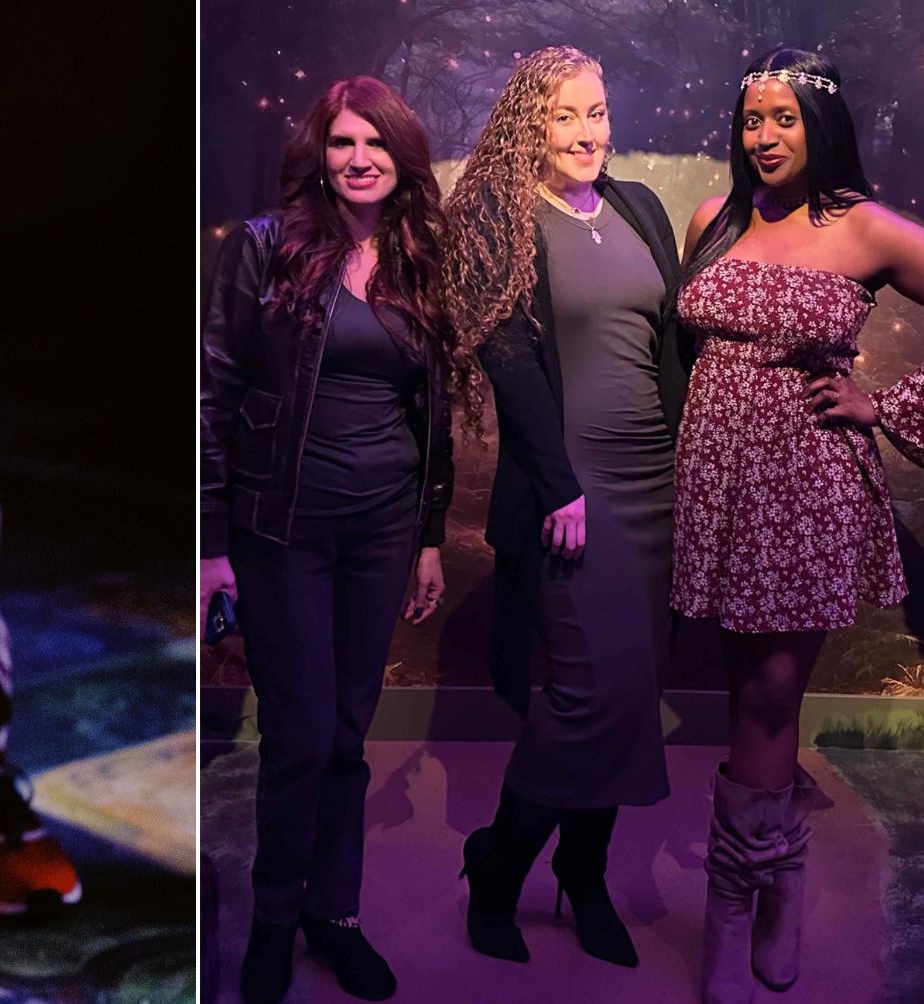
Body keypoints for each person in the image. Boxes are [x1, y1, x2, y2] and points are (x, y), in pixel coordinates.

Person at [674, 46, 924, 1004]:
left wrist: (884, 406)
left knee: (772, 694)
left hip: (806, 486)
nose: (764, 136)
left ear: (821, 125)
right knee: (743, 685)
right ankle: (776, 873)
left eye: (784, 118)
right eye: (752, 119)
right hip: (717, 483)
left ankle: (739, 900)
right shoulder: (713, 217)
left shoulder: (866, 228)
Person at [199, 75, 461, 1004]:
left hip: (383, 529)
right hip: (283, 528)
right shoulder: (265, 247)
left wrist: (428, 536)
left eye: (375, 144)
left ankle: (334, 915)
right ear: (320, 154)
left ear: (402, 157)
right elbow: (213, 392)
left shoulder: (422, 258)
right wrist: (211, 543)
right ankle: (275, 920)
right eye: (343, 143)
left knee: (349, 734)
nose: (359, 160)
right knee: (300, 737)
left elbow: (435, 412)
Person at [437, 45, 688, 971]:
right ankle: (498, 865)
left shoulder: (639, 206)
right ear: (527, 126)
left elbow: (670, 347)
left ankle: (584, 875)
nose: (587, 133)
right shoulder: (497, 218)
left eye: (597, 112)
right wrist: (561, 485)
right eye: (564, 115)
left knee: (630, 696)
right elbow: (507, 362)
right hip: (573, 492)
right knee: (587, 695)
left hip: (655, 483)